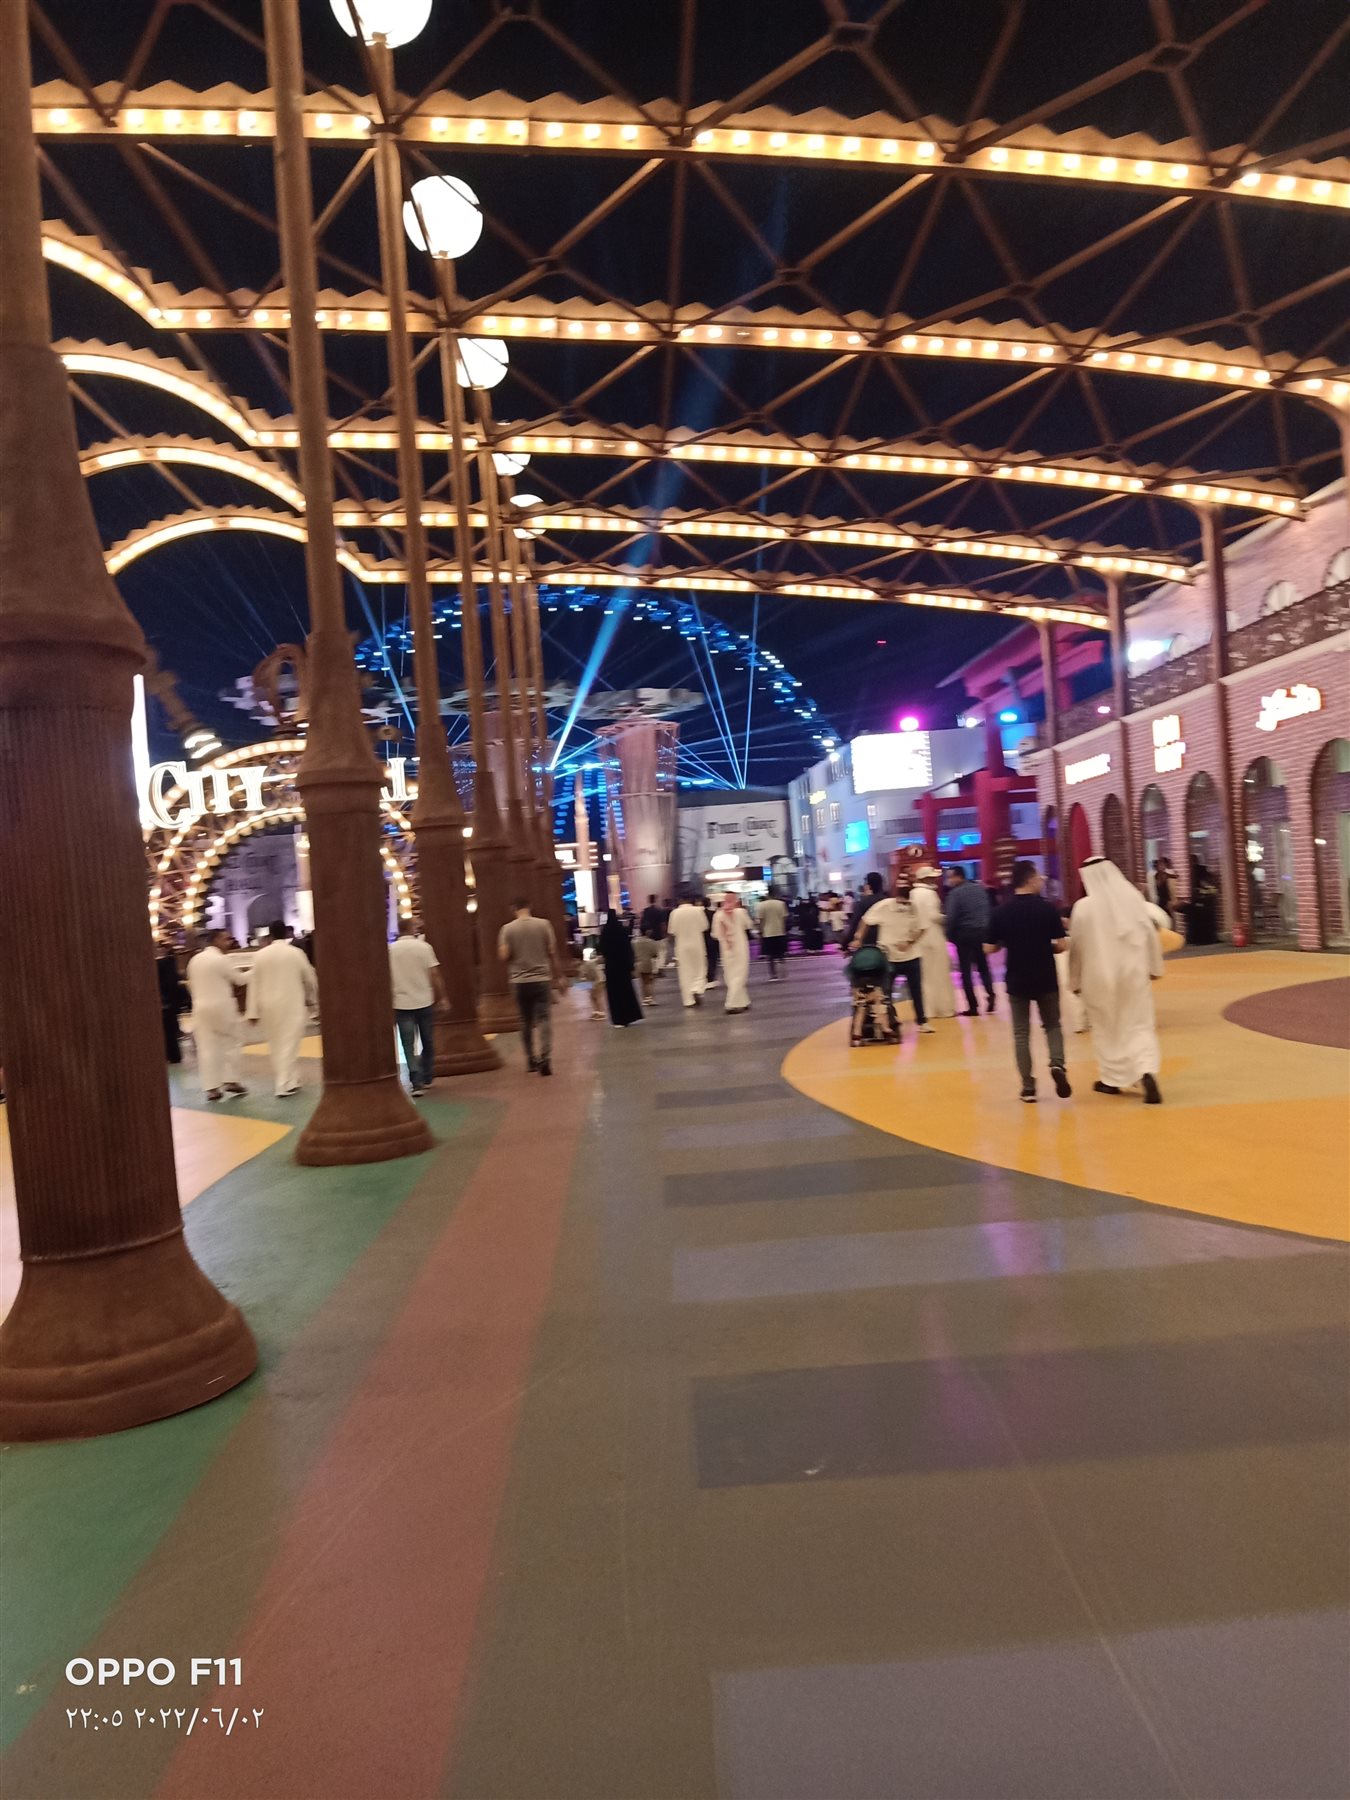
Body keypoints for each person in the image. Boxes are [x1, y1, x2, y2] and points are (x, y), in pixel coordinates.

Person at [1069, 856, 1164, 1104]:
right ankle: (1146, 1070)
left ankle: (1112, 1080)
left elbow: (1076, 947)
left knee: (1107, 1030)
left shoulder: (1083, 907)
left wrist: (1074, 981)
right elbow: (1150, 934)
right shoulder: (1133, 899)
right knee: (1139, 1025)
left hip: (1097, 979)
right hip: (1134, 974)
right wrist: (1155, 967)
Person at [985, 861, 1072, 1104]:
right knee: (1052, 1025)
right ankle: (1057, 1065)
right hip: (1045, 977)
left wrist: (1007, 943)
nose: (1041, 881)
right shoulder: (1047, 909)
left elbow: (988, 948)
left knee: (1021, 1033)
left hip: (1017, 979)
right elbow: (1062, 945)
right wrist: (1047, 947)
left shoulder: (1001, 912)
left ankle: (1028, 1087)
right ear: (1030, 879)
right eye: (1038, 877)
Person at [852, 876, 933, 1034]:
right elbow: (866, 921)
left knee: (916, 991)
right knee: (885, 993)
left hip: (912, 956)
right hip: (888, 957)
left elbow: (923, 928)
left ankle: (922, 1021)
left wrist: (909, 942)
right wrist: (858, 938)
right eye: (901, 900)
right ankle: (890, 1019)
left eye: (906, 901)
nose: (904, 904)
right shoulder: (884, 906)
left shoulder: (916, 907)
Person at [246, 920, 317, 1097]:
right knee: (290, 1043)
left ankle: (292, 1079)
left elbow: (253, 984)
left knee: (276, 1044)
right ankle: (283, 1084)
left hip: (268, 1006)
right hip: (291, 1003)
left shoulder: (260, 956)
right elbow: (309, 978)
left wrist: (252, 1011)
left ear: (270, 935)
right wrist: (312, 999)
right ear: (286, 933)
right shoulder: (296, 953)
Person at [499, 896, 562, 1073]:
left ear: (513, 909)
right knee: (544, 1018)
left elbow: (504, 955)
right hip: (542, 979)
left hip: (519, 981)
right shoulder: (544, 925)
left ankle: (530, 1059)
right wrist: (559, 976)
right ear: (530, 906)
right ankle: (545, 1057)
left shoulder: (507, 929)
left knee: (525, 1020)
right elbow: (552, 952)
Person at [186, 929, 249, 1102]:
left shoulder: (194, 960)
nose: (229, 942)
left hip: (200, 1007)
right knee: (232, 1043)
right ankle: (231, 1080)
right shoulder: (220, 959)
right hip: (222, 1006)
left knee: (206, 1048)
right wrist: (257, 970)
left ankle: (212, 1089)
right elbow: (240, 980)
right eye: (226, 939)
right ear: (215, 941)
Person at [388, 917, 445, 1096]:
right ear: (411, 929)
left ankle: (416, 1081)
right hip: (424, 1000)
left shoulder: (390, 951)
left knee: (407, 1043)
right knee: (428, 1040)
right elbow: (434, 974)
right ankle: (427, 1075)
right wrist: (442, 997)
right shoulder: (424, 947)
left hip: (401, 1002)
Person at [943, 867, 996, 1016]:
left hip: (964, 934)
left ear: (959, 877)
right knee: (983, 967)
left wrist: (949, 935)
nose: (949, 881)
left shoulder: (955, 893)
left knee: (965, 971)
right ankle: (991, 994)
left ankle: (973, 1006)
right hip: (982, 932)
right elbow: (987, 910)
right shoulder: (979, 889)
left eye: (950, 877)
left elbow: (952, 917)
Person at [911, 868, 956, 1019]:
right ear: (926, 879)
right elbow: (933, 915)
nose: (934, 880)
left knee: (925, 976)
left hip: (919, 938)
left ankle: (927, 1010)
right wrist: (948, 919)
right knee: (940, 974)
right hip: (934, 935)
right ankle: (944, 1009)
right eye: (931, 877)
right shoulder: (930, 894)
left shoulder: (913, 893)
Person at [597, 908, 643, 1026]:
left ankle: (618, 1019)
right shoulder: (622, 931)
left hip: (611, 967)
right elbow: (628, 948)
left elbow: (601, 949)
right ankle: (629, 1016)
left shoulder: (605, 932)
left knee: (614, 994)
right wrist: (631, 964)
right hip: (623, 966)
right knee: (626, 991)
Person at [668, 892, 711, 1008]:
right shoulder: (698, 911)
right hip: (697, 943)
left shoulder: (674, 913)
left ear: (680, 900)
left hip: (682, 945)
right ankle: (697, 988)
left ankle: (688, 1000)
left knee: (685, 972)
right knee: (700, 969)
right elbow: (705, 927)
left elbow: (672, 931)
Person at [713, 892, 753, 1013]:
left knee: (730, 974)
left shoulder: (718, 914)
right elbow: (749, 925)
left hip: (726, 948)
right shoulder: (740, 912)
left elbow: (715, 934)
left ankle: (743, 1001)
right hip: (740, 946)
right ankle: (731, 1004)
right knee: (740, 974)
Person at [846, 872, 885, 946]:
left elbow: (855, 924)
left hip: (868, 941)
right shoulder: (887, 899)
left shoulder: (864, 902)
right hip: (885, 939)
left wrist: (845, 943)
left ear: (868, 885)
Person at [758, 888, 789, 979]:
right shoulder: (781, 904)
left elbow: (761, 920)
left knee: (770, 955)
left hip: (767, 932)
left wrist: (760, 931)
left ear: (767, 894)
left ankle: (773, 974)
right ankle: (782, 967)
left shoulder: (761, 905)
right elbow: (784, 917)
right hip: (780, 931)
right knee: (781, 952)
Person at [633, 928, 661, 1005]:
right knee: (649, 982)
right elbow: (654, 954)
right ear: (647, 931)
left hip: (638, 964)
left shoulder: (634, 942)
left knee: (642, 982)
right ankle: (650, 998)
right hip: (647, 963)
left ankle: (645, 999)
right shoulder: (651, 942)